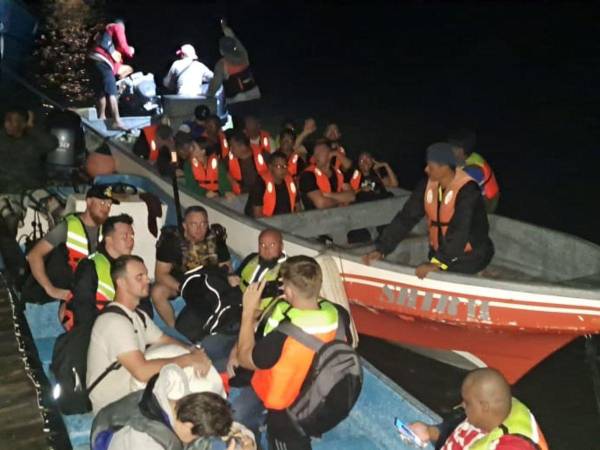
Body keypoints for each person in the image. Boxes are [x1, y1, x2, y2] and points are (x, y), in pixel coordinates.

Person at [236, 255, 353, 449]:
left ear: (287, 290)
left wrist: (247, 311)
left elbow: (244, 359)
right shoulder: (340, 315)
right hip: (321, 396)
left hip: (287, 412)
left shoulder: (283, 335)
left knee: (240, 414)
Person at [86, 255, 212, 413]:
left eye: (146, 275)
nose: (147, 280)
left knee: (189, 371)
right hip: (113, 407)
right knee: (182, 376)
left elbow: (164, 340)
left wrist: (193, 350)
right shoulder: (114, 322)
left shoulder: (137, 315)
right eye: (140, 277)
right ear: (121, 283)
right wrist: (188, 359)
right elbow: (142, 372)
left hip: (132, 392)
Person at [363, 142, 494, 278]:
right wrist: (382, 249)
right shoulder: (426, 185)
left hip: (470, 258)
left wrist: (438, 263)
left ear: (445, 167)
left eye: (430, 166)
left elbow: (460, 230)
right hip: (439, 255)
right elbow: (406, 217)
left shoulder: (468, 190)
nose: (425, 169)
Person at [91, 364, 255, 450]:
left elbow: (219, 423)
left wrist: (246, 437)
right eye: (197, 436)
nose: (198, 439)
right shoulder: (143, 442)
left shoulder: (182, 405)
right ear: (188, 426)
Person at [409, 368, 548, 450]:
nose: (462, 405)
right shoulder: (486, 416)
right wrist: (429, 432)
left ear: (485, 406)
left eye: (468, 403)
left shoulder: (514, 446)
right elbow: (458, 434)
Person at [23, 184, 117, 304]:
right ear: (88, 202)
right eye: (102, 203)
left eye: (109, 204)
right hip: (56, 294)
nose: (106, 208)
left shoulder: (106, 230)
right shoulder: (67, 227)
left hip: (82, 293)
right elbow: (33, 256)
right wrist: (51, 290)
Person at [152, 206, 231, 328]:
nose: (199, 229)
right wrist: (184, 288)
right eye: (194, 224)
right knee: (157, 292)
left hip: (208, 282)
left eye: (203, 224)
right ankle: (174, 329)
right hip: (180, 283)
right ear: (184, 225)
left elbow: (227, 269)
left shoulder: (215, 240)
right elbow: (160, 274)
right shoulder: (171, 242)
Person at [67, 214, 137, 331]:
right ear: (108, 240)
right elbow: (83, 310)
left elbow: (144, 304)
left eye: (132, 237)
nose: (130, 241)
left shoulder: (134, 266)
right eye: (125, 236)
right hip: (97, 331)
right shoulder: (89, 266)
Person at [207, 19, 260, 122]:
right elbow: (235, 40)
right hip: (254, 96)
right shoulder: (244, 55)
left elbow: (216, 84)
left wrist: (209, 95)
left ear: (221, 51)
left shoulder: (221, 64)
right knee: (254, 127)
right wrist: (225, 29)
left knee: (240, 130)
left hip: (236, 102)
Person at [88, 19, 135, 129]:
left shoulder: (104, 35)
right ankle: (116, 121)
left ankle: (101, 116)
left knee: (102, 91)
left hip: (93, 59)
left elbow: (115, 64)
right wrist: (130, 51)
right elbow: (124, 45)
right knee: (112, 91)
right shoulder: (116, 26)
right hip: (102, 60)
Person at [0, 107, 58, 193]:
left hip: (30, 190)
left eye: (11, 121)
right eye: (6, 120)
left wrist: (30, 127)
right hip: (5, 190)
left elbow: (52, 144)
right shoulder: (2, 139)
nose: (7, 124)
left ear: (23, 123)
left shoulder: (33, 141)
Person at [448, 129, 500, 214]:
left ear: (460, 151)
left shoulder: (472, 170)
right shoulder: (469, 156)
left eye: (451, 147)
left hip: (487, 203)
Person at [299, 139, 355, 210]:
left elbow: (352, 196)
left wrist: (327, 195)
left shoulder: (338, 173)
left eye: (320, 152)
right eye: (315, 153)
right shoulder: (308, 175)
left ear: (330, 154)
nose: (316, 155)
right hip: (316, 219)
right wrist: (341, 201)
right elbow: (321, 203)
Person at [245, 151, 298, 217]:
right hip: (263, 223)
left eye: (285, 166)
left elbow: (297, 207)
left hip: (287, 222)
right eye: (278, 166)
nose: (283, 170)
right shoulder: (260, 183)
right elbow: (257, 214)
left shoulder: (291, 181)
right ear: (270, 167)